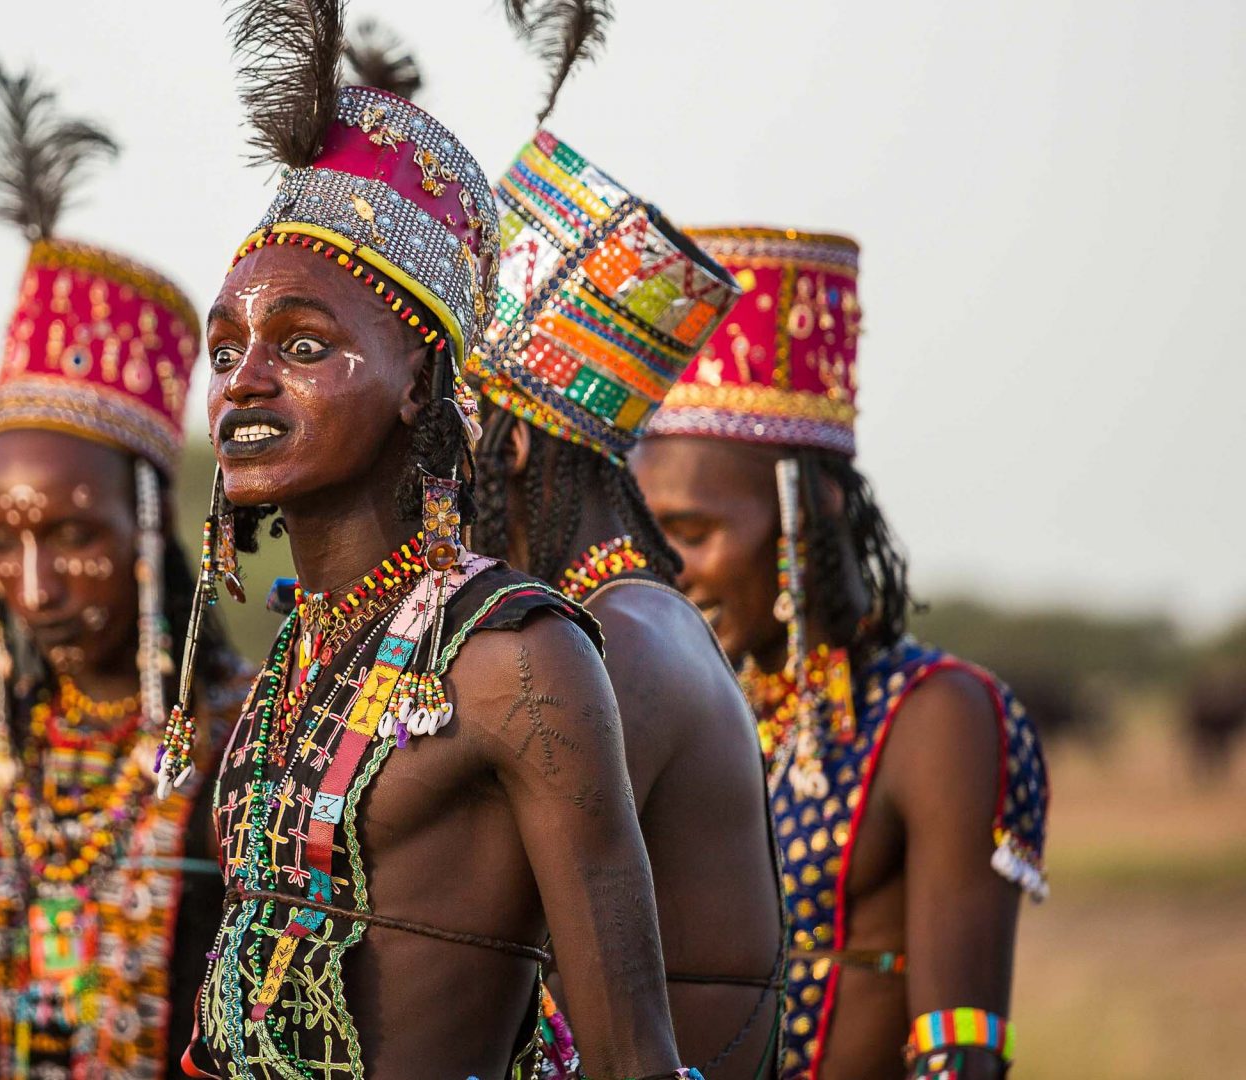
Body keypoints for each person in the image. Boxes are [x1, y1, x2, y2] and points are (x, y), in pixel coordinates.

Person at [155, 3, 693, 1076]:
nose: (247, 379)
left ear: (420, 386)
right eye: (225, 351)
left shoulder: (515, 661)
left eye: (303, 344)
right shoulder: (297, 657)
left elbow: (635, 1056)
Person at [632, 227, 1050, 1079]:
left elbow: (961, 1056)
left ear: (805, 513)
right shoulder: (691, 717)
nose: (669, 572)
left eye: (696, 533)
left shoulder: (936, 717)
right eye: (650, 537)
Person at [465, 37, 781, 1072]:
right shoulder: (622, 622)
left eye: (440, 440)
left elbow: (456, 922)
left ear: (508, 448)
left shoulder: (619, 648)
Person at [0, 57, 249, 1080]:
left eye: (74, 537)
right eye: (0, 540)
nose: (34, 589)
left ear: (148, 528)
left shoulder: (244, 736)